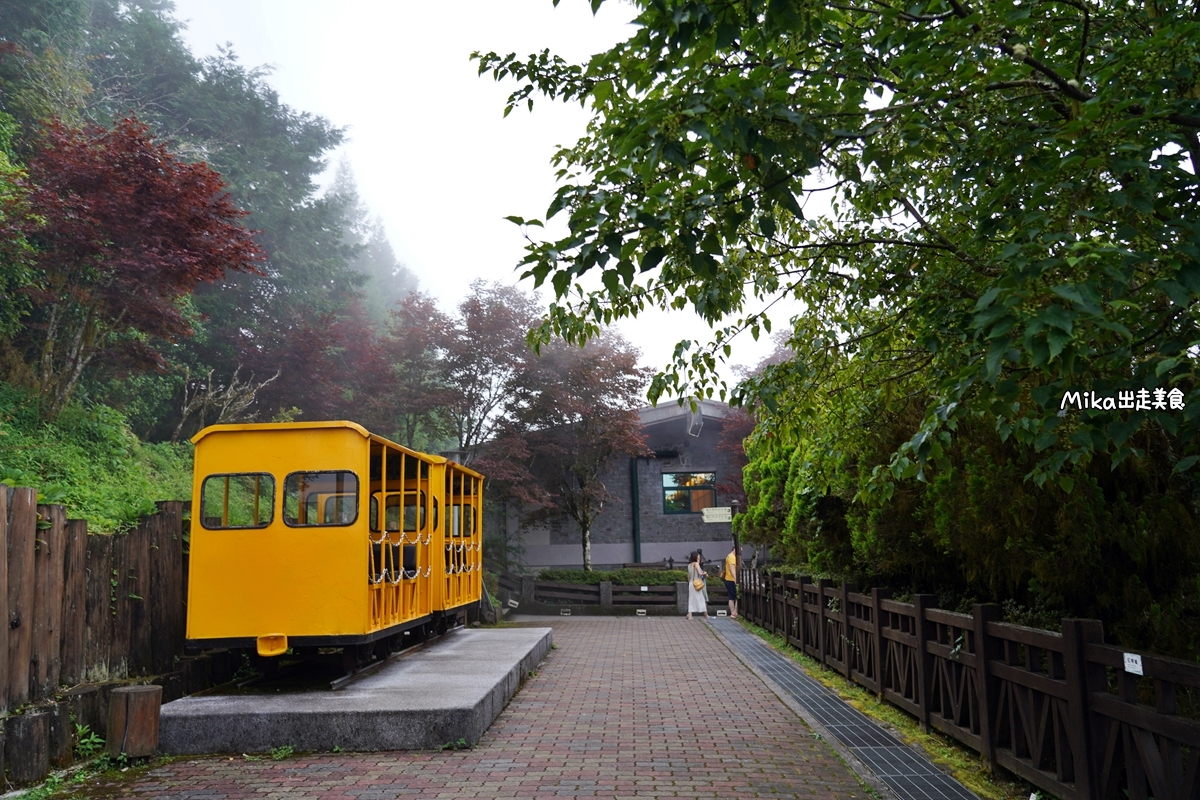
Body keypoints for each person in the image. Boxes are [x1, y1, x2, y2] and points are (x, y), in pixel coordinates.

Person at [687, 551, 710, 619]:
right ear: (696, 557)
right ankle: (706, 615)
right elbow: (700, 573)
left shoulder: (689, 565)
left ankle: (690, 616)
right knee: (701, 599)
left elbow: (688, 576)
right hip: (696, 583)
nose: (699, 557)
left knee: (691, 599)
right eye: (698, 556)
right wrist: (705, 573)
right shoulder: (696, 564)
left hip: (691, 583)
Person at [723, 544, 740, 619]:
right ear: (735, 550)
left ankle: (733, 612)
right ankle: (735, 612)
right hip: (731, 579)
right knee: (736, 596)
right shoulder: (732, 557)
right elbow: (732, 569)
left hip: (728, 579)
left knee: (731, 597)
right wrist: (736, 579)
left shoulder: (729, 556)